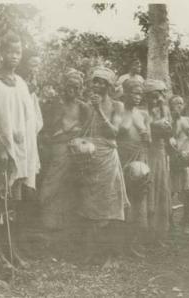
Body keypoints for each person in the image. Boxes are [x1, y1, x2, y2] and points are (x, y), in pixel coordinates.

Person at [0, 32, 43, 267]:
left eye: (18, 52)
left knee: (14, 204)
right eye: (9, 51)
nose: (13, 56)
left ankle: (12, 250)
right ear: (1, 52)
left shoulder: (22, 83)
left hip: (20, 151)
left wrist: (26, 147)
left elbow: (29, 118)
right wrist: (1, 147)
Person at [78, 66, 129, 264]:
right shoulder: (86, 105)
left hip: (107, 156)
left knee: (110, 204)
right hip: (90, 155)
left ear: (109, 86)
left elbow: (114, 132)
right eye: (95, 81)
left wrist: (99, 109)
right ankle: (92, 253)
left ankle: (112, 255)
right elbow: (83, 130)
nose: (97, 85)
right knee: (90, 202)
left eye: (102, 82)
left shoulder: (117, 106)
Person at [38, 69, 91, 236]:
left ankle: (68, 223)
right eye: (69, 87)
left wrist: (78, 137)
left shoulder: (83, 107)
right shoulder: (55, 104)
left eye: (76, 87)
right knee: (53, 182)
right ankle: (47, 221)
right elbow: (46, 128)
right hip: (58, 147)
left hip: (77, 149)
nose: (72, 91)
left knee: (71, 184)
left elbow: (88, 129)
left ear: (81, 88)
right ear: (64, 87)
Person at [117, 77, 151, 257]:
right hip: (122, 157)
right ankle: (120, 242)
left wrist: (145, 134)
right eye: (133, 93)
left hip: (139, 158)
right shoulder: (118, 110)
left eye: (140, 94)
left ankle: (133, 242)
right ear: (126, 93)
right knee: (122, 199)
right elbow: (113, 134)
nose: (137, 97)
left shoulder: (144, 114)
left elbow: (149, 140)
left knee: (138, 200)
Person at [144, 79, 172, 246]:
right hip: (147, 150)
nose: (156, 100)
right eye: (152, 97)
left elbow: (169, 132)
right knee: (148, 187)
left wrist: (165, 131)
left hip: (160, 152)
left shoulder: (164, 110)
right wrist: (156, 127)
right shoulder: (143, 111)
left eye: (158, 96)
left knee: (161, 189)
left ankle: (159, 233)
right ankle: (146, 231)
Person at [168, 95, 189, 228]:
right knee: (171, 189)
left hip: (186, 159)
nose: (179, 106)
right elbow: (170, 138)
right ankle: (169, 218)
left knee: (188, 189)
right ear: (170, 106)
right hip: (174, 157)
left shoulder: (187, 120)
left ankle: (186, 217)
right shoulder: (169, 121)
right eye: (176, 103)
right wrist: (175, 119)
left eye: (181, 103)